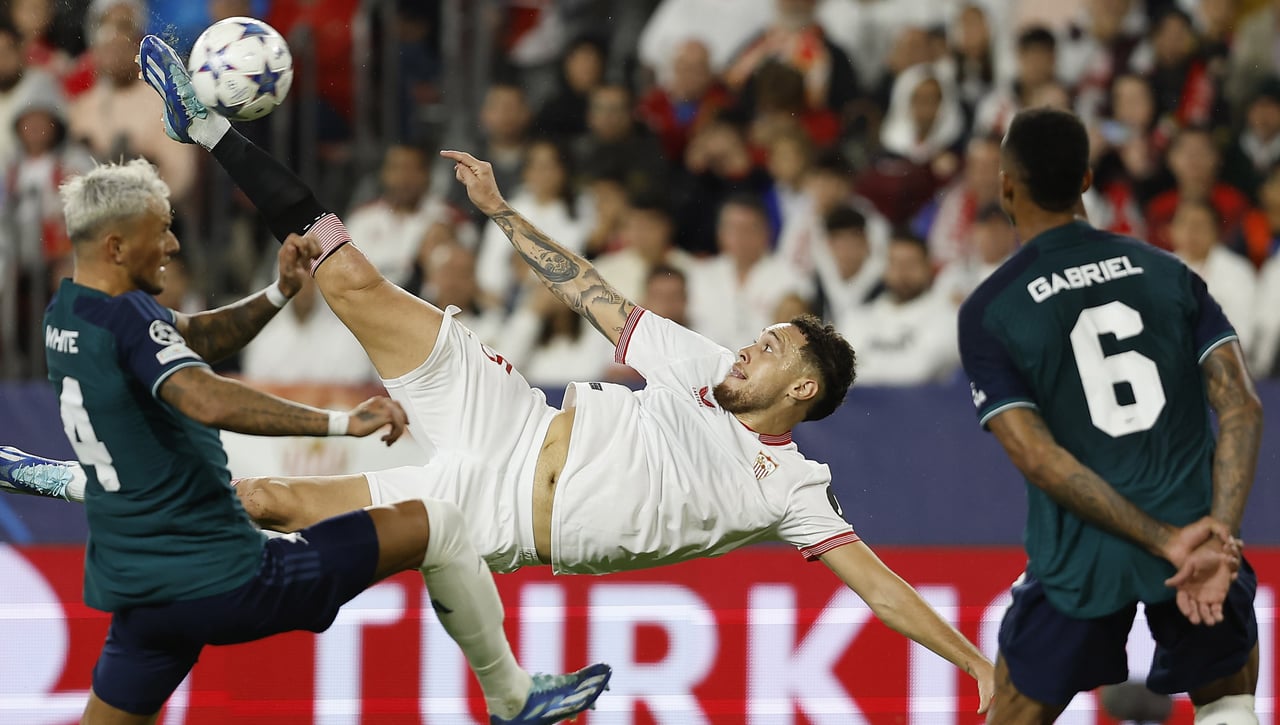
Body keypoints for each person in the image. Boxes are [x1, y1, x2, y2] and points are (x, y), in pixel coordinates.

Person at [3, 32, 1002, 713]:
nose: (752, 345)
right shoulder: (698, 364)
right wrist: (499, 216)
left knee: (264, 496)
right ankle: (210, 130)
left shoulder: (790, 486)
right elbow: (596, 294)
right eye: (763, 335)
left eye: (774, 349)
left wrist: (973, 666)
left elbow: (881, 589)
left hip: (502, 507)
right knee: (345, 276)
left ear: (802, 394)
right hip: (513, 412)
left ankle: (81, 478)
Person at [4, 41, 615, 725]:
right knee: (439, 523)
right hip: (223, 579)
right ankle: (514, 696)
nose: (175, 247)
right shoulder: (127, 323)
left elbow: (188, 342)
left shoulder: (73, 312)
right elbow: (206, 394)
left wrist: (275, 294)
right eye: (161, 234)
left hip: (140, 593)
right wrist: (338, 423)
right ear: (116, 247)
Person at [957, 108, 1260, 724]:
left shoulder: (991, 310)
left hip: (1081, 557)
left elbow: (1038, 458)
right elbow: (1241, 406)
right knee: (1228, 705)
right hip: (1197, 531)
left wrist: (1164, 544)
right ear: (1088, 180)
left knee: (1014, 712)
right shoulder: (1171, 273)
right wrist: (1216, 537)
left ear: (1006, 185)